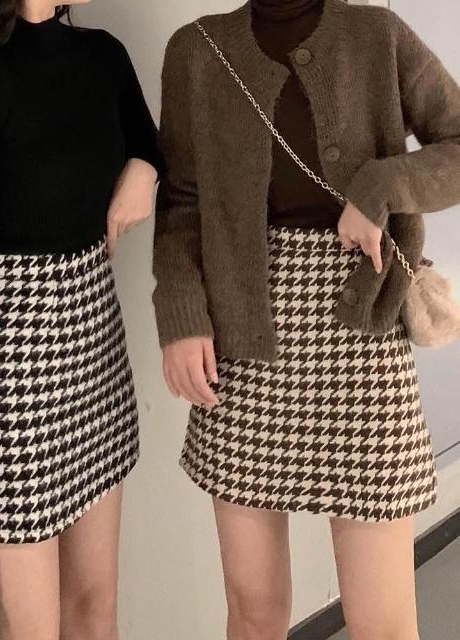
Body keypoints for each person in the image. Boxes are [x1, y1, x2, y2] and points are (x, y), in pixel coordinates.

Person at [153, 0, 460, 638]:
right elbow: (182, 201)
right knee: (255, 609)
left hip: (363, 334)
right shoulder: (197, 50)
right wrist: (181, 317)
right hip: (242, 339)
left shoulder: (377, 35)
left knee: (382, 618)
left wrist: (380, 187)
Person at [0, 0, 161, 637]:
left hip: (95, 349)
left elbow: (149, 141)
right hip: (7, 370)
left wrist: (145, 169)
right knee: (24, 628)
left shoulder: (103, 56)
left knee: (95, 610)